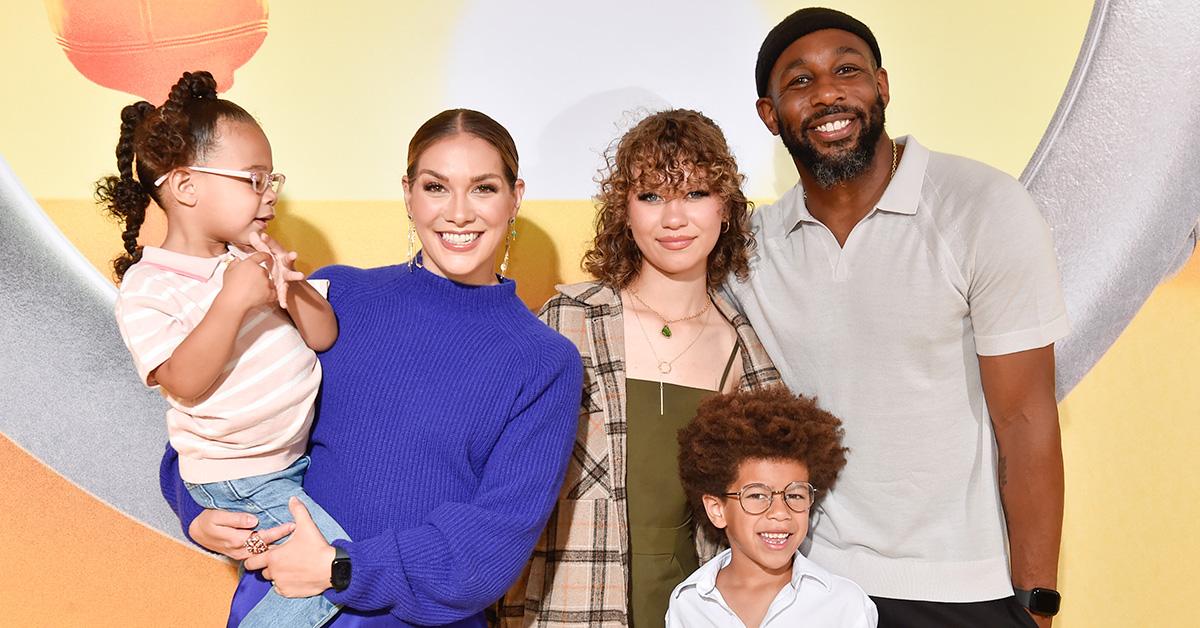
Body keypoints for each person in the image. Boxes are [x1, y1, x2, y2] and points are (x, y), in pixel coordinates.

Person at [159, 108, 584, 627]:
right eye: (435, 187)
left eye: (483, 188)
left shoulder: (544, 362)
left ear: (515, 196)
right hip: (285, 607)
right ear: (408, 193)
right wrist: (196, 513)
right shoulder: (337, 299)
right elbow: (216, 419)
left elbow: (493, 542)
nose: (458, 213)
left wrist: (343, 569)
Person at [726, 8, 1071, 628]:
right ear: (770, 115)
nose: (829, 91)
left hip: (966, 589)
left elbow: (1025, 419)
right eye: (800, 81)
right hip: (811, 589)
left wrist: (1036, 604)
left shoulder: (983, 208)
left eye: (847, 71)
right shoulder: (753, 249)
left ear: (881, 87)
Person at [499, 109, 782, 626]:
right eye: (651, 196)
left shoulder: (747, 351)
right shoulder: (568, 320)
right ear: (624, 212)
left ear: (726, 209)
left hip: (693, 608)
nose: (674, 219)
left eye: (696, 193)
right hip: (569, 601)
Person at [101, 70, 348, 627]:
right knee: (330, 572)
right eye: (253, 180)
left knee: (308, 573)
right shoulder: (152, 286)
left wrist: (292, 284)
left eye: (272, 180)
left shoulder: (250, 262)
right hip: (240, 475)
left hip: (284, 464)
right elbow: (183, 382)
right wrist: (232, 301)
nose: (270, 196)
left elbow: (323, 335)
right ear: (187, 187)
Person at [669, 387, 876, 627]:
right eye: (757, 495)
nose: (780, 512)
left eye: (796, 495)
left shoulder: (844, 605)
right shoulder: (688, 603)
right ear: (717, 509)